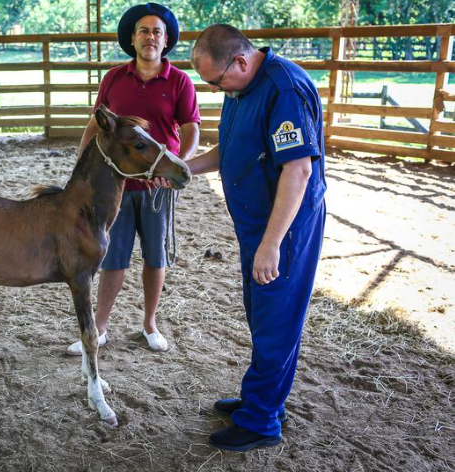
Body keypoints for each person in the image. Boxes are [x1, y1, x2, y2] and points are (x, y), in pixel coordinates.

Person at [186, 24, 327, 451]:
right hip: (255, 225)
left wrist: (271, 245)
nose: (214, 90)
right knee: (262, 315)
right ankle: (263, 399)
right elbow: (228, 152)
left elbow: (298, 170)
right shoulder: (239, 90)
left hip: (283, 227)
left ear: (241, 61)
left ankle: (261, 421)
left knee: (275, 321)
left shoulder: (284, 89)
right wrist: (181, 169)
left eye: (216, 81)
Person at [66, 3, 200, 356]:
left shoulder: (179, 81)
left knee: (155, 258)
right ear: (132, 38)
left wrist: (175, 167)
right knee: (114, 258)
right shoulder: (113, 78)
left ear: (166, 40)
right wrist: (81, 164)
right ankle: (100, 327)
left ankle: (149, 324)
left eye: (157, 31)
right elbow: (97, 125)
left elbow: (191, 131)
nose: (150, 37)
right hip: (117, 185)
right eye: (144, 31)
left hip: (158, 187)